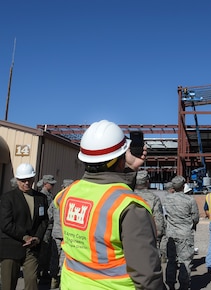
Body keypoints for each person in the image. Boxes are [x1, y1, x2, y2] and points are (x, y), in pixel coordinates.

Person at [54, 119, 164, 289]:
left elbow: (104, 190)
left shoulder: (67, 194)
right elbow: (147, 277)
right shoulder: (130, 207)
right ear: (120, 159)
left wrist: (129, 169)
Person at [0, 163, 49, 290]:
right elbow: (6, 224)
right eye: (23, 180)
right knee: (8, 284)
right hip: (11, 247)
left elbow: (44, 221)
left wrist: (37, 238)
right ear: (17, 180)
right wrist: (25, 236)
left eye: (29, 179)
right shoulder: (7, 198)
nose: (26, 183)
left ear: (34, 179)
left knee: (32, 282)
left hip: (32, 248)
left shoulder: (41, 198)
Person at [163, 175, 199, 290]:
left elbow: (164, 216)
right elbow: (195, 218)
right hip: (185, 235)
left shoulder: (167, 199)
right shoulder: (190, 200)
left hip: (170, 235)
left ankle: (170, 284)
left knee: (171, 260)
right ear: (183, 186)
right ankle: (184, 285)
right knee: (186, 261)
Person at [48, 178, 73, 289]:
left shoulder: (56, 199)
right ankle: (61, 281)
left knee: (54, 257)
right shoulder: (73, 200)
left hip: (56, 233)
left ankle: (54, 280)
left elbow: (49, 216)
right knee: (65, 259)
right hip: (68, 235)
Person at [134, 170, 165, 250]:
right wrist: (158, 236)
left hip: (130, 237)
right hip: (149, 237)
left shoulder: (127, 195)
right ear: (147, 182)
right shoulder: (154, 198)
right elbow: (158, 221)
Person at [38, 174, 57, 285]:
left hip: (50, 227)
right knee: (43, 250)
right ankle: (39, 272)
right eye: (51, 184)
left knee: (48, 250)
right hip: (45, 226)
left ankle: (44, 271)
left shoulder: (49, 195)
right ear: (46, 184)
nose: (53, 186)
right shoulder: (42, 195)